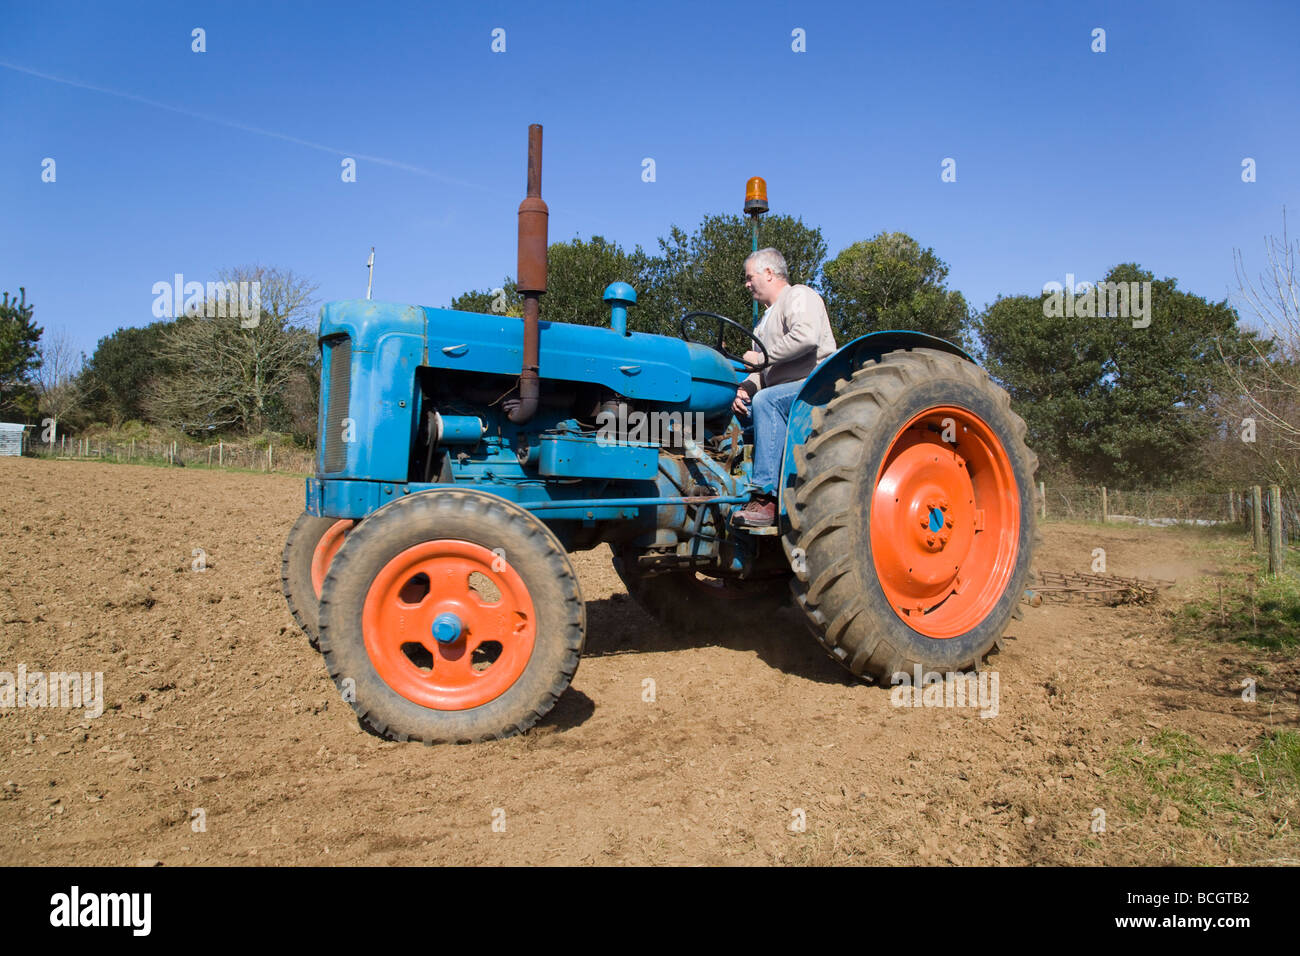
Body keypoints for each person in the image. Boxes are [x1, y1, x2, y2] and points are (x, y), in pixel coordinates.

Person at [730, 248, 837, 529]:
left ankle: (766, 498)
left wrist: (762, 359)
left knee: (767, 401)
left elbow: (806, 336)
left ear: (769, 273)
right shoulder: (763, 322)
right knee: (733, 410)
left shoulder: (798, 295)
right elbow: (764, 373)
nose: (747, 283)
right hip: (782, 391)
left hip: (814, 386)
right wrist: (744, 388)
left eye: (749, 277)